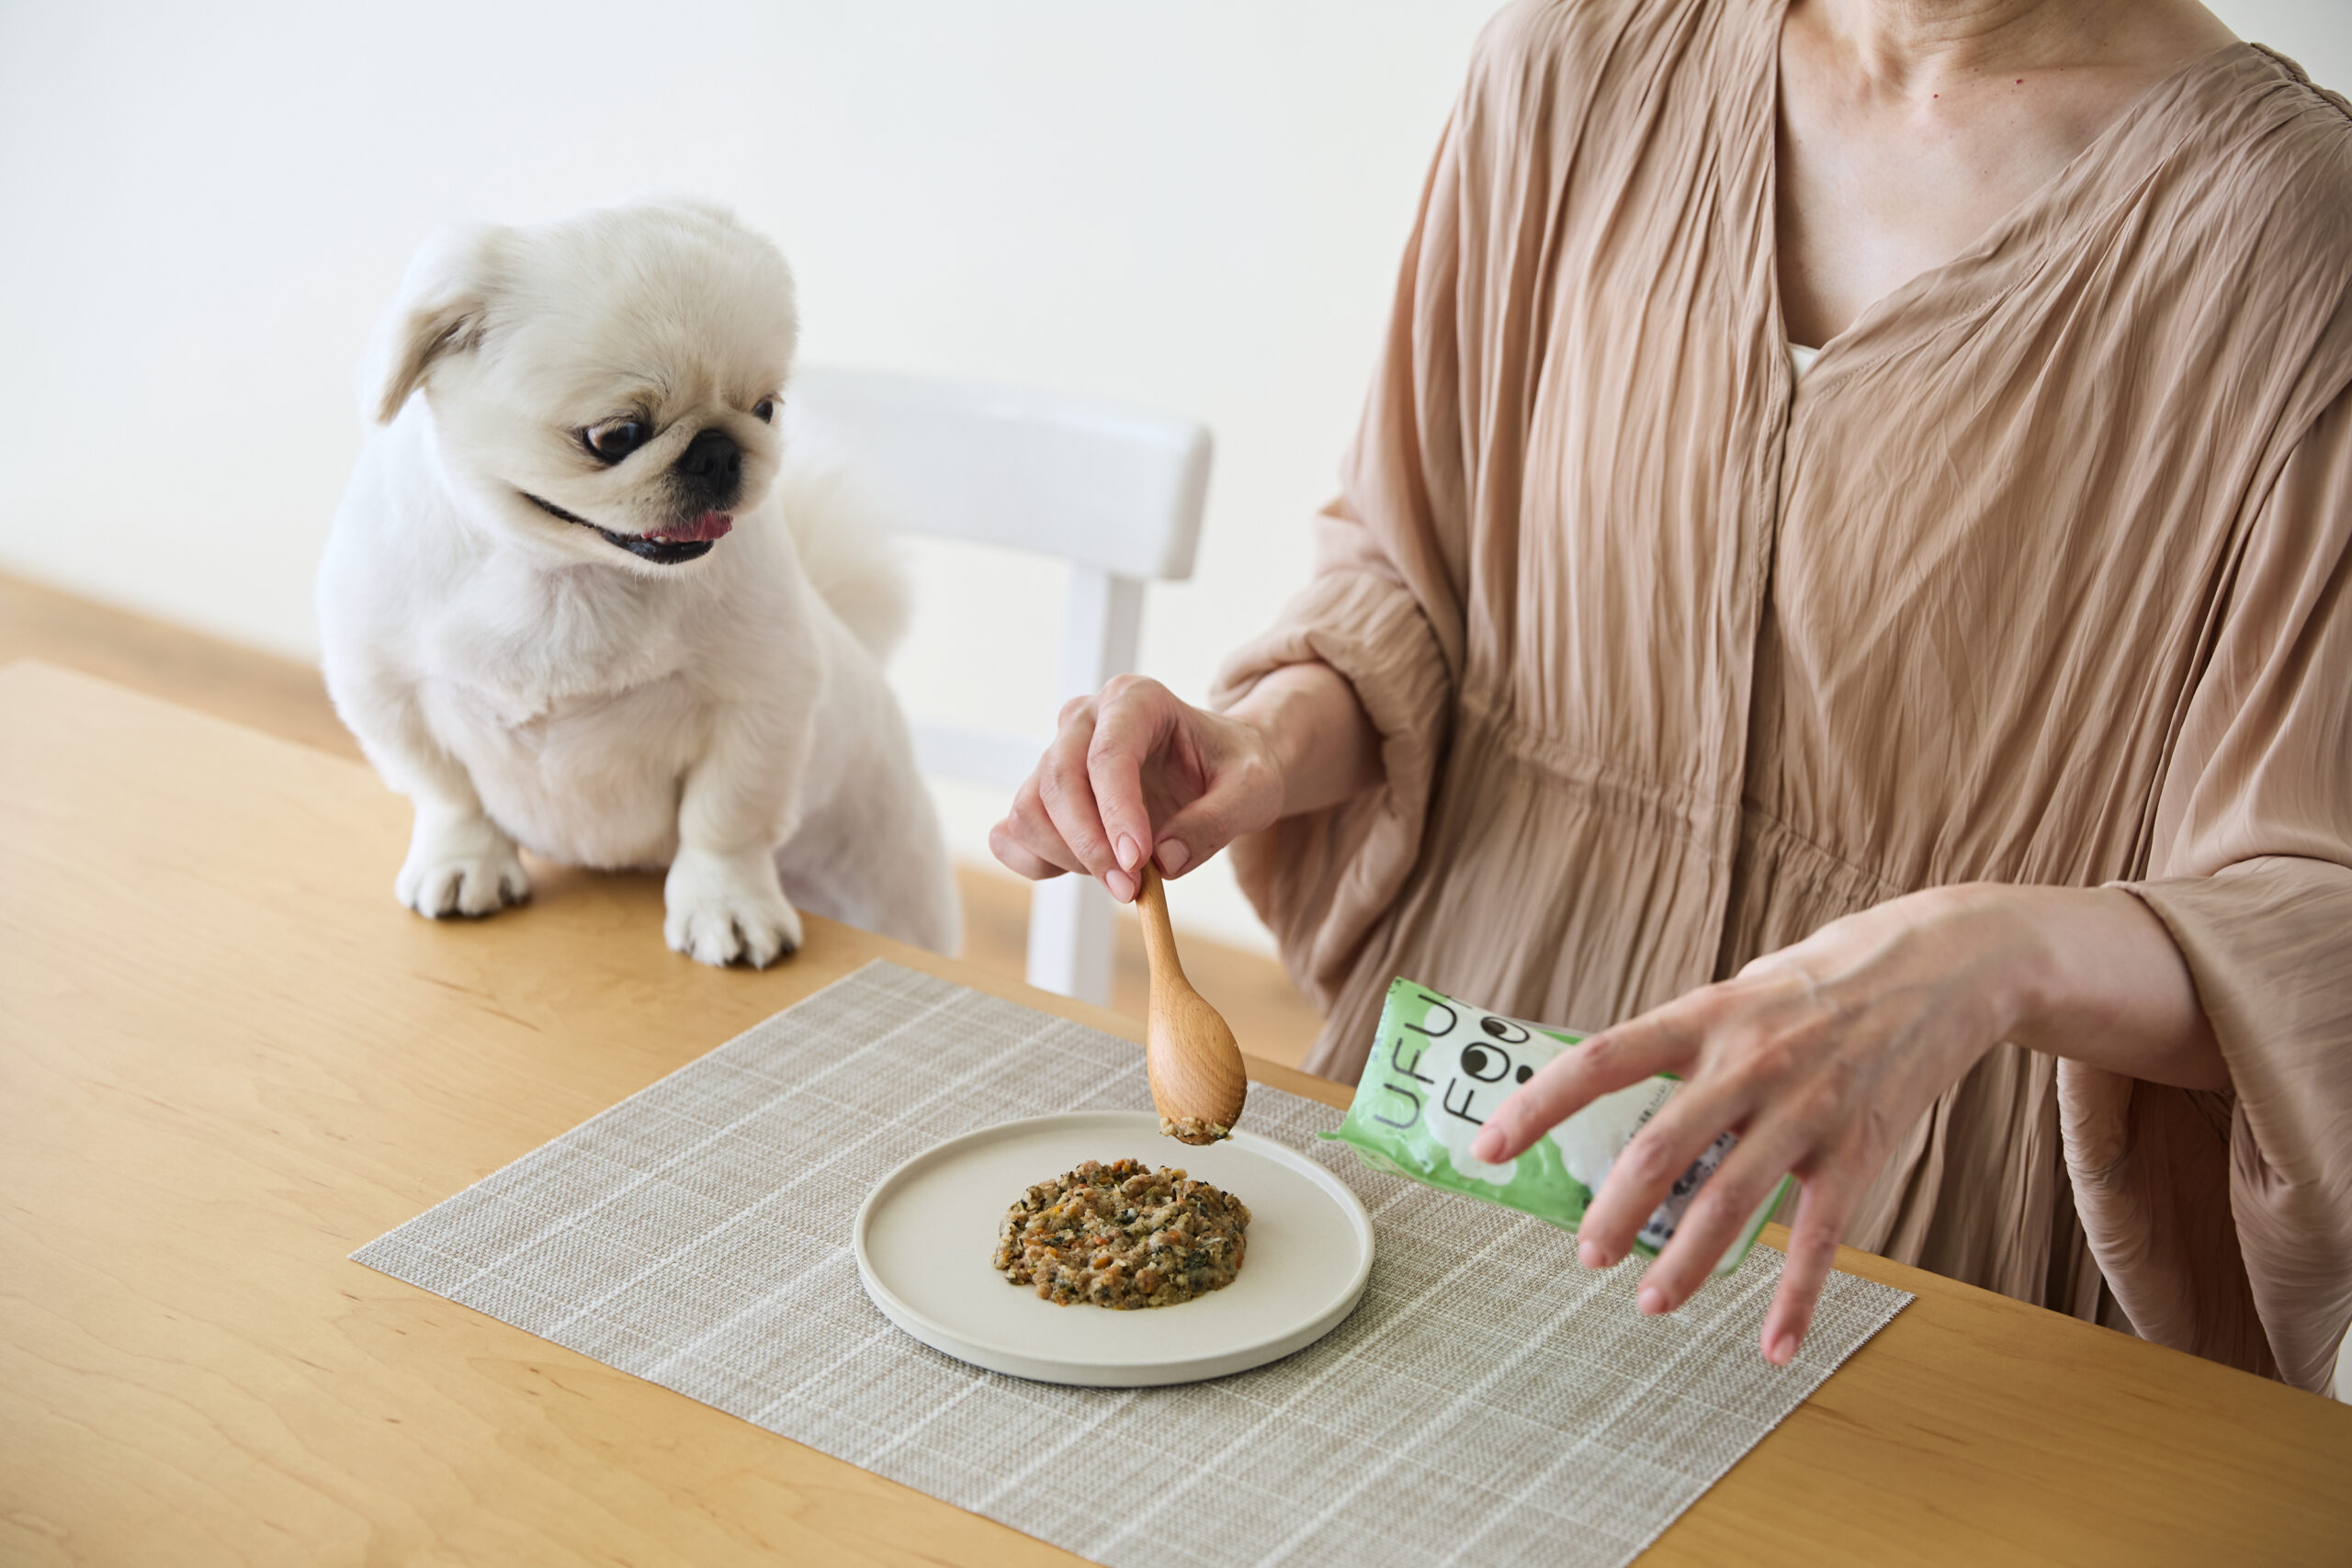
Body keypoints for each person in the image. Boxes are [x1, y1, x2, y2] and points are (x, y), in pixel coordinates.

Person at [992, 0, 2352, 1393]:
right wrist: (1265, 742)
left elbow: (2310, 931)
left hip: (1915, 1231)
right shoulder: (1577, 62)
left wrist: (1991, 951)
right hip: (1455, 1131)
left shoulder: (2300, 241)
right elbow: (1417, 580)